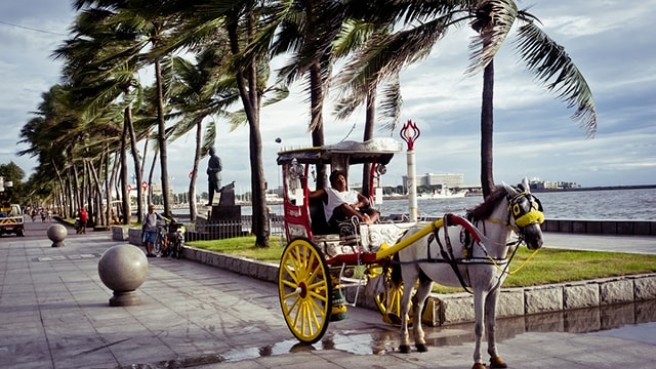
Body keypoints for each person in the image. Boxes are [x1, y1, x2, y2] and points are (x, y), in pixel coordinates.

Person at [310, 169, 379, 231]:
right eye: (338, 180)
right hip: (336, 218)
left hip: (356, 214)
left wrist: (355, 205)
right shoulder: (328, 191)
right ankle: (364, 222)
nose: (341, 181)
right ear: (333, 184)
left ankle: (369, 223)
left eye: (342, 179)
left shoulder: (353, 192)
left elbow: (366, 200)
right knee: (343, 206)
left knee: (375, 212)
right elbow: (310, 194)